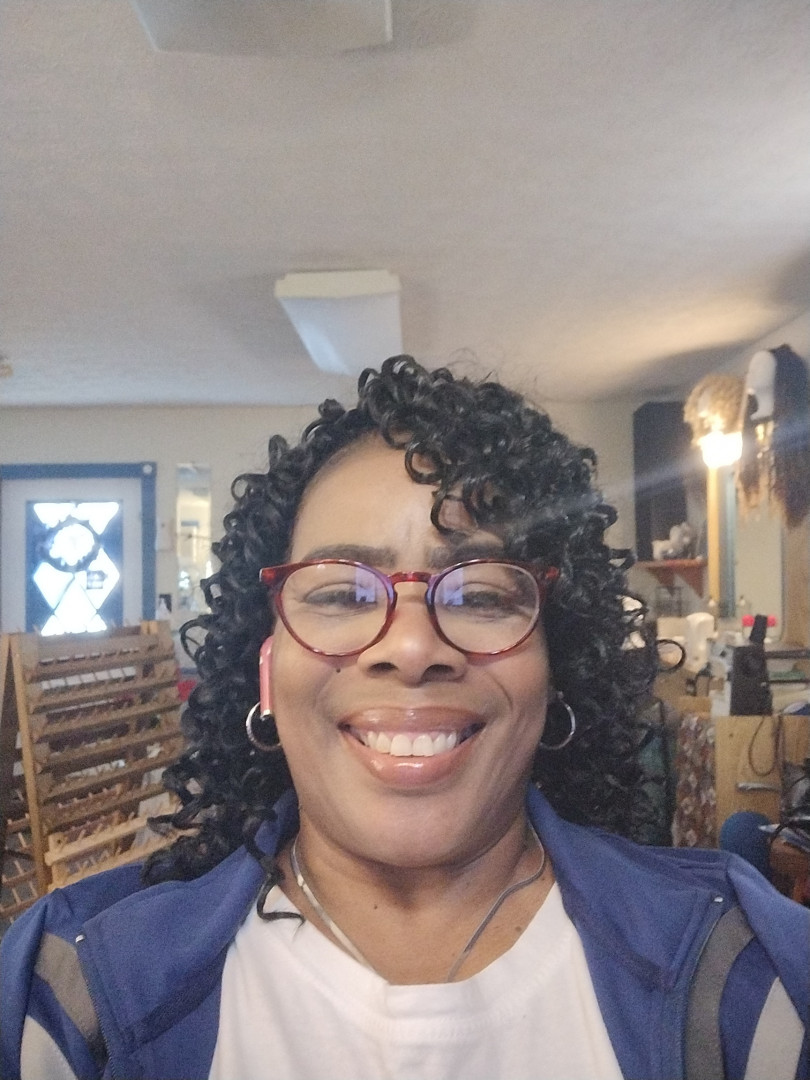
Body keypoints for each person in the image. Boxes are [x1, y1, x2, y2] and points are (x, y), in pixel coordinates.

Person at [1, 356, 808, 1080]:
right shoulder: (71, 994)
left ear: (554, 668)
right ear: (267, 672)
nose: (414, 648)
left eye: (482, 594)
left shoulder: (747, 976)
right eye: (342, 592)